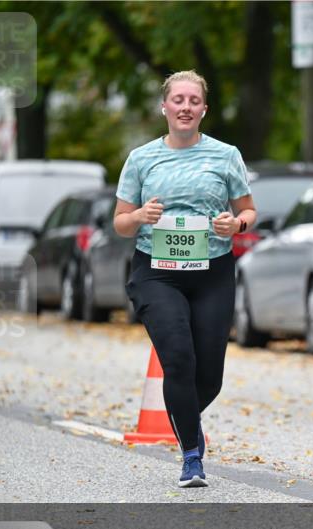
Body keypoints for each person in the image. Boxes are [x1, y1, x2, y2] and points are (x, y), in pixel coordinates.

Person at [113, 70, 257, 488]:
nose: (185, 107)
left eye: (194, 101)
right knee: (177, 357)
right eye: (178, 99)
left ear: (203, 109)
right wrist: (140, 216)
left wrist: (237, 225)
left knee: (208, 376)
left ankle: (186, 421)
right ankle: (191, 456)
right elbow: (120, 222)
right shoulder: (142, 159)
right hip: (157, 273)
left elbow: (248, 210)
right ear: (165, 107)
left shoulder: (226, 155)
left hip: (212, 273)